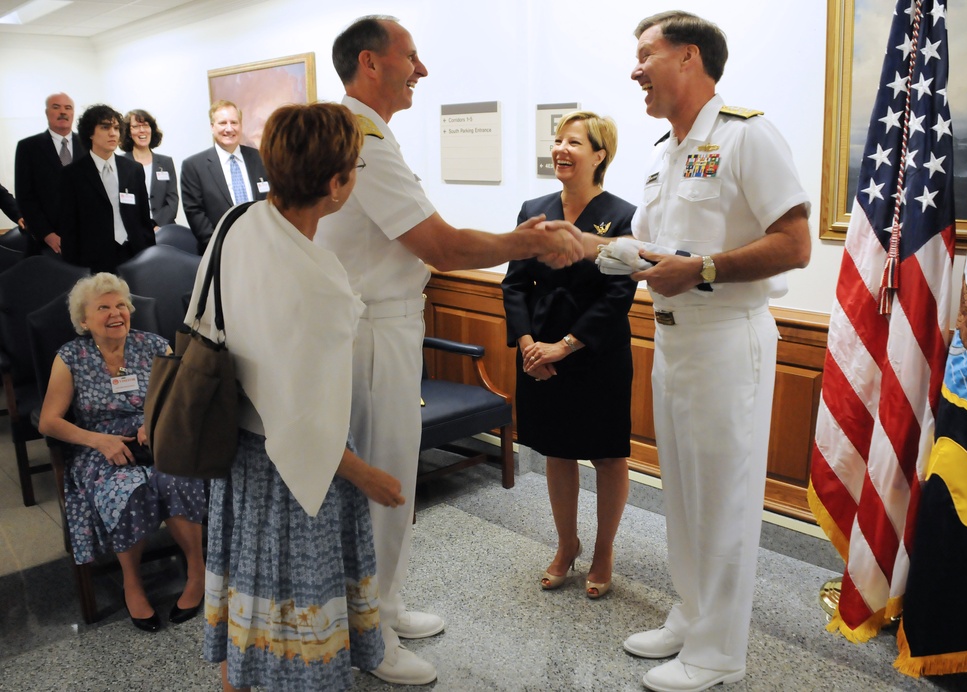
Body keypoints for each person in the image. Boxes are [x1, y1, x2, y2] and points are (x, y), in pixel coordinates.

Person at [315, 15, 585, 686]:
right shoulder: (363, 139)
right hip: (373, 330)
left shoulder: (365, 133)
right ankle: (372, 638)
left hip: (388, 324)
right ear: (372, 63)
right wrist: (520, 243)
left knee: (392, 475)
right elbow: (438, 245)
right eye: (412, 57)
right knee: (384, 480)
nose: (423, 70)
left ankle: (386, 603)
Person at [614, 11, 812, 692]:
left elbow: (794, 244)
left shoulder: (746, 136)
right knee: (686, 494)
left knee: (725, 498)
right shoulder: (661, 153)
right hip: (673, 342)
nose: (635, 69)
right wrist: (601, 253)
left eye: (646, 54)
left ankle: (720, 652)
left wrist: (699, 271)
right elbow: (652, 247)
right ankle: (691, 615)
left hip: (729, 341)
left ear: (688, 57)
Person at [194, 102, 405, 692]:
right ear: (337, 184)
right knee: (295, 595)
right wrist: (366, 475)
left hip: (235, 448)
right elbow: (296, 420)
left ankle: (238, 674)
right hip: (297, 468)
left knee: (252, 585)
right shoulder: (316, 281)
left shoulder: (236, 221)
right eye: (356, 166)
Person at [501, 111, 636, 600]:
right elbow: (515, 283)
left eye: (573, 142)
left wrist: (566, 344)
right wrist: (527, 344)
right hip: (539, 351)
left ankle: (604, 551)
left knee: (606, 454)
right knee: (556, 451)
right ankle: (566, 544)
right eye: (557, 140)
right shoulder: (533, 208)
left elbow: (618, 296)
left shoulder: (623, 215)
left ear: (599, 155)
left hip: (596, 351)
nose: (560, 149)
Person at [38, 273, 207, 633]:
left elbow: (180, 401)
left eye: (120, 306)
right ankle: (133, 582)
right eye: (103, 308)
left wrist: (155, 422)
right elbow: (49, 422)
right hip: (101, 449)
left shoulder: (155, 346)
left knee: (177, 480)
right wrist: (100, 441)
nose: (116, 314)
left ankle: (197, 572)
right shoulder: (71, 357)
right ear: (84, 321)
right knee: (127, 491)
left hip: (157, 441)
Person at [58, 104, 155, 274]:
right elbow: (69, 227)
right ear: (90, 133)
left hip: (134, 253)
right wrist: (73, 269)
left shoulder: (133, 169)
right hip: (93, 259)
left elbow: (143, 218)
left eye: (117, 128)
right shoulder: (72, 175)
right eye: (105, 127)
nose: (113, 133)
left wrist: (149, 253)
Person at [180, 100, 269, 253]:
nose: (229, 128)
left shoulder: (260, 158)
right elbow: (195, 214)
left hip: (263, 247)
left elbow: (271, 202)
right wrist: (222, 249)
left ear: (240, 125)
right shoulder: (194, 166)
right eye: (222, 123)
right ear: (212, 127)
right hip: (219, 253)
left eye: (234, 122)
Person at [14, 92, 86, 255]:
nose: (63, 112)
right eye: (56, 107)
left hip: (85, 237)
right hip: (47, 241)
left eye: (68, 108)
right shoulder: (28, 147)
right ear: (47, 112)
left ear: (73, 113)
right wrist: (46, 234)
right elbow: (25, 196)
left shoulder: (88, 145)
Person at [120, 109, 178, 229]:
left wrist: (155, 224)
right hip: (132, 230)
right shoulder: (119, 164)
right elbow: (120, 203)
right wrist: (142, 227)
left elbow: (172, 201)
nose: (142, 130)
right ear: (129, 133)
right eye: (136, 126)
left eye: (146, 125)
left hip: (163, 228)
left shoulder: (166, 163)